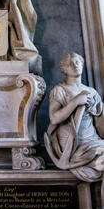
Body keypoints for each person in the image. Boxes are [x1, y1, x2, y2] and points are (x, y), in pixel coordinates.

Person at [44, 53, 104, 181]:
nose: (75, 65)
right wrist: (75, 101)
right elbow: (54, 118)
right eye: (69, 64)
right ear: (64, 70)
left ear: (82, 65)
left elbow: (100, 123)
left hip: (94, 141)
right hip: (76, 146)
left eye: (77, 62)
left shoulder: (91, 91)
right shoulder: (60, 90)